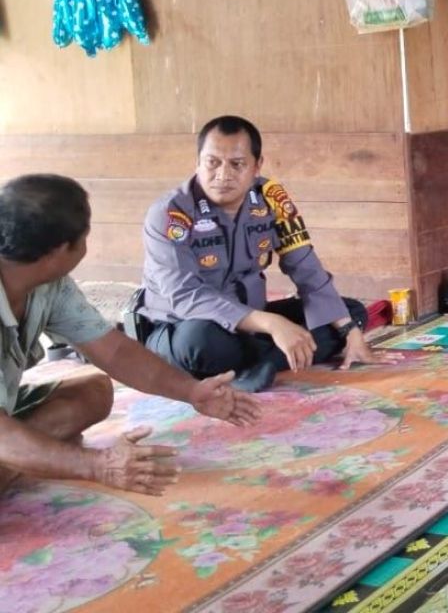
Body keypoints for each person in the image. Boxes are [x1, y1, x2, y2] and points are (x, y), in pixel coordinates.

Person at [0, 174, 260, 497]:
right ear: (58, 251)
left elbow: (114, 352)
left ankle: (17, 460)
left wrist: (192, 391)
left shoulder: (49, 284)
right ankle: (20, 458)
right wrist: (97, 465)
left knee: (92, 390)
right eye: (84, 236)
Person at [138, 115, 371, 392]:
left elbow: (305, 265)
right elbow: (186, 296)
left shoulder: (270, 198)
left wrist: (348, 330)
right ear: (198, 162)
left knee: (350, 311)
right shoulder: (171, 213)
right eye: (212, 162)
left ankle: (259, 364)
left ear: (257, 166)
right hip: (183, 326)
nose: (223, 175)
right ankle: (271, 356)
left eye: (236, 164)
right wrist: (271, 324)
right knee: (200, 342)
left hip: (250, 321)